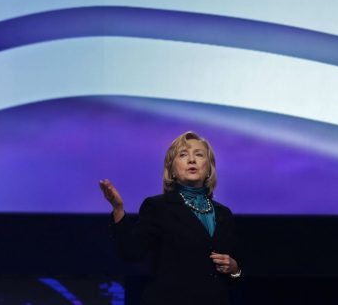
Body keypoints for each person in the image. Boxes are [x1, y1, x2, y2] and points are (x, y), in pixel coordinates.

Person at [99, 131, 241, 305]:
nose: (191, 160)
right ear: (172, 170)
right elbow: (131, 253)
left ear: (209, 168)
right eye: (183, 155)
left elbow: (235, 271)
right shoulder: (158, 207)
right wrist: (118, 209)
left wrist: (235, 269)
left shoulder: (223, 214)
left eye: (199, 154)